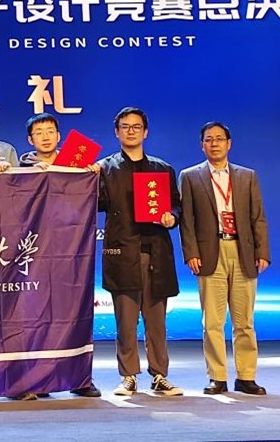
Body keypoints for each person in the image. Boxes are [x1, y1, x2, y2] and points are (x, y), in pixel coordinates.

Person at [90, 107, 184, 397]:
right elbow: (95, 205)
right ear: (116, 132)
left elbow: (177, 205)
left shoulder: (162, 169)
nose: (131, 131)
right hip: (122, 253)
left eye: (136, 127)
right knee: (126, 322)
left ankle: (160, 375)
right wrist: (87, 179)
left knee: (157, 323)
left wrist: (171, 217)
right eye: (125, 127)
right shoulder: (104, 168)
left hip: (155, 252)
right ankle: (128, 375)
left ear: (146, 132)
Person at [179, 122, 270, 396]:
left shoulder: (247, 176)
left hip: (242, 251)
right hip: (210, 252)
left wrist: (262, 252)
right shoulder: (190, 176)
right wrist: (191, 253)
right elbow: (187, 220)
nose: (214, 144)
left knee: (245, 322)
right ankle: (217, 377)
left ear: (229, 144)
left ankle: (246, 376)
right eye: (209, 140)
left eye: (219, 139)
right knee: (212, 322)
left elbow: (258, 217)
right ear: (202, 145)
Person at [17, 112, 102, 399]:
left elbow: (96, 202)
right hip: (35, 253)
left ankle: (79, 378)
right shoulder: (23, 168)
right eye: (39, 132)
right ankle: (34, 380)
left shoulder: (77, 167)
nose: (45, 136)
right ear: (30, 140)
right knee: (34, 317)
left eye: (50, 131)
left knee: (75, 312)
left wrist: (91, 177)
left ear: (59, 136)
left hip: (71, 251)